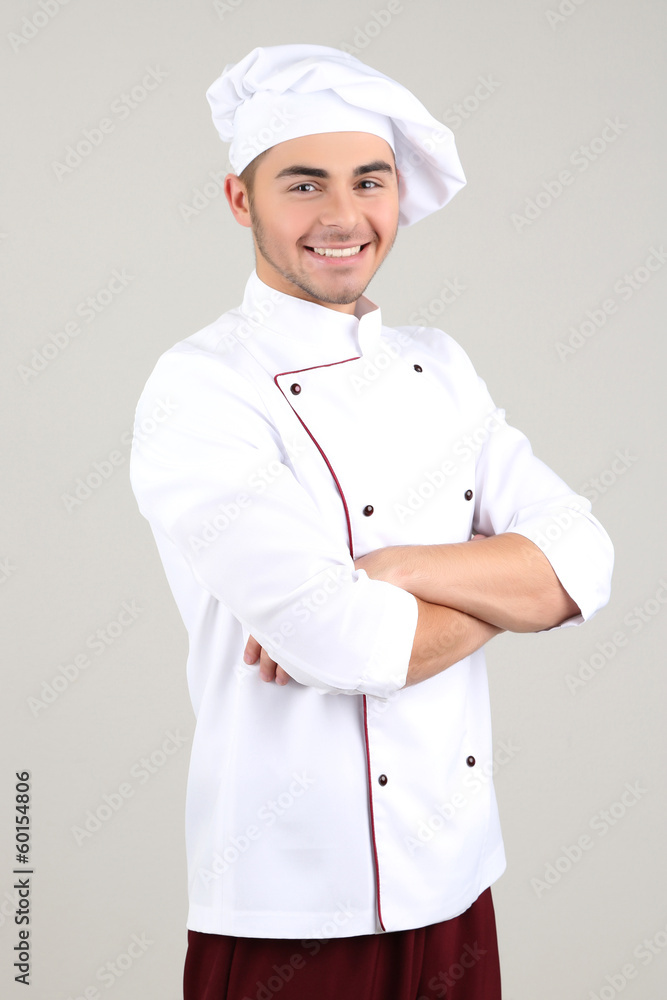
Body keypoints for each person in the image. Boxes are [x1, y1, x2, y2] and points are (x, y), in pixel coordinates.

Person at [130, 44, 614, 1000]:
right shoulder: (199, 388)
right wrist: (506, 589)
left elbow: (585, 558)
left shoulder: (440, 364)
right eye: (303, 184)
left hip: (455, 871)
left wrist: (390, 569)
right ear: (241, 200)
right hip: (289, 901)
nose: (342, 217)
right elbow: (347, 645)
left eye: (369, 182)